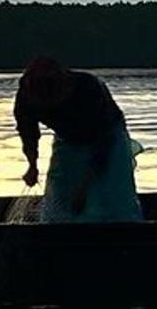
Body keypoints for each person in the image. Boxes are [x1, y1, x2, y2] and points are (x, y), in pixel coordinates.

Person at [14, 57, 142, 223]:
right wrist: (32, 166)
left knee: (106, 195)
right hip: (67, 139)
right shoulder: (26, 95)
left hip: (107, 137)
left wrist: (83, 190)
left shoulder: (88, 88)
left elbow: (102, 144)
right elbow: (28, 134)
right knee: (61, 198)